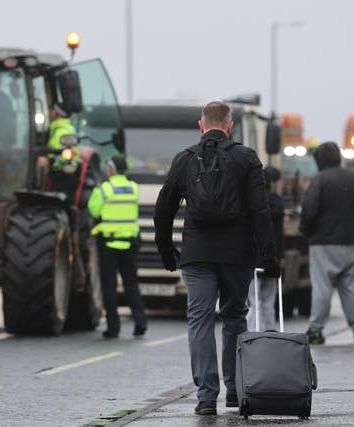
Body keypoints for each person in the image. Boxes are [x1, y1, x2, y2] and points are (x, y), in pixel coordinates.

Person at [154, 101, 279, 416]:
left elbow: (164, 207)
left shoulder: (184, 159)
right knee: (235, 317)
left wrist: (166, 249)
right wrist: (269, 255)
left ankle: (207, 396)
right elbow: (260, 210)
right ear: (230, 126)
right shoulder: (246, 158)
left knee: (199, 320)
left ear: (200, 126)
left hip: (196, 254)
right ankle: (236, 390)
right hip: (237, 254)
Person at [299, 141, 354, 345]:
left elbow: (309, 210)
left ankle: (316, 330)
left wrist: (306, 231)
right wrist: (353, 226)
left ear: (320, 160)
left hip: (323, 243)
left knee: (322, 286)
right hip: (350, 241)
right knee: (351, 286)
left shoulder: (320, 180)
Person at [88, 155, 148, 339]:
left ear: (111, 170)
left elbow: (93, 210)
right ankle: (140, 323)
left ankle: (113, 328)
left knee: (109, 286)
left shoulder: (104, 190)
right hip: (130, 243)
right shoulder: (133, 188)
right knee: (131, 284)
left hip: (109, 244)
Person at [246, 167, 284, 332]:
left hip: (253, 260)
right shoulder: (278, 204)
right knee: (268, 302)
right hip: (272, 260)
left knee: (253, 303)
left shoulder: (250, 204)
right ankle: (270, 333)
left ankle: (254, 336)